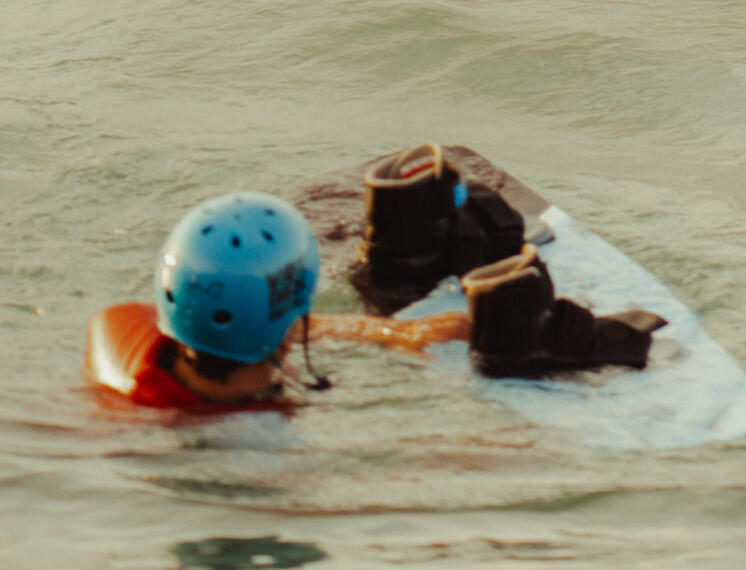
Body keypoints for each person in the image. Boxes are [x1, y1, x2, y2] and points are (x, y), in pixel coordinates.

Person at [86, 151, 663, 413]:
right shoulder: (250, 442)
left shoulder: (122, 330)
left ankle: (404, 265)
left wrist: (393, 334)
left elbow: (236, 320)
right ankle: (513, 349)